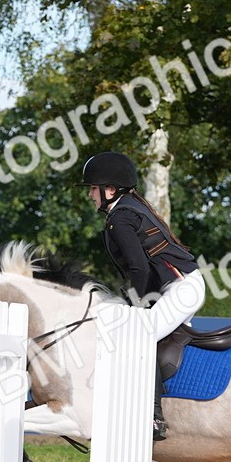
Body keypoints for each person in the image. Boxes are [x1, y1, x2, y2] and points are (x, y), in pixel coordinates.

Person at [81, 151, 207, 441]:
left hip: (180, 288)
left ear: (110, 189)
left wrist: (137, 305)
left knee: (139, 337)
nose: (90, 195)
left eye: (93, 188)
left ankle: (153, 417)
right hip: (180, 286)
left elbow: (138, 268)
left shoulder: (121, 217)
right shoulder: (128, 208)